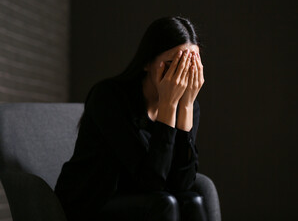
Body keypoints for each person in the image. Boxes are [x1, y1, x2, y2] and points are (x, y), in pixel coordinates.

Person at [54, 16, 206, 221]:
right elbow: (150, 183)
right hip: (93, 199)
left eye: (190, 64)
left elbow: (182, 184)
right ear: (147, 63)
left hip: (143, 197)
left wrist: (186, 106)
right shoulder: (109, 97)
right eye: (172, 64)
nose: (181, 75)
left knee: (192, 201)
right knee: (164, 204)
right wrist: (168, 105)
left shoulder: (188, 104)